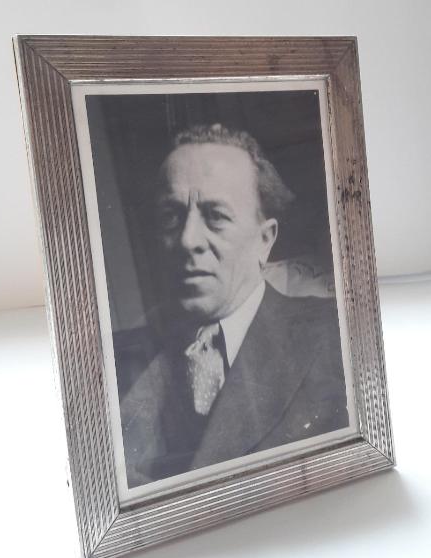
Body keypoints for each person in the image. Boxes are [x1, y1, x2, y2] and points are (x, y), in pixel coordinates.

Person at [114, 124, 349, 488]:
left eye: (216, 216)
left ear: (264, 240)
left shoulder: (336, 335)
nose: (188, 240)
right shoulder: (123, 360)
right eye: (172, 216)